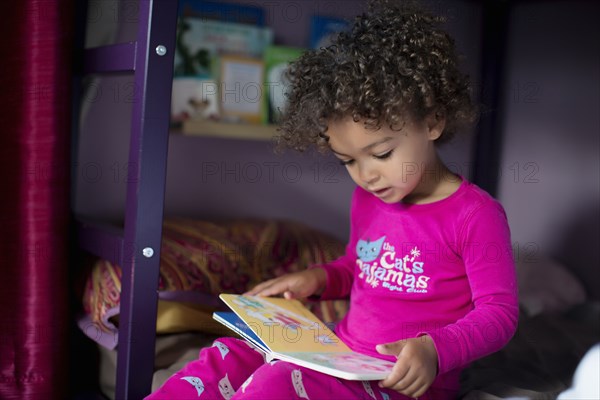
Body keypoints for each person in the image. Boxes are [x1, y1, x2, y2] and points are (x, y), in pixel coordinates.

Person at [146, 1, 518, 399]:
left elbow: (499, 314)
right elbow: (361, 266)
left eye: (381, 154)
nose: (366, 175)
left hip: (401, 381)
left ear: (431, 122)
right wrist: (318, 279)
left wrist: (435, 350)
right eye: (348, 161)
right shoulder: (369, 198)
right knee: (229, 352)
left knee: (277, 383)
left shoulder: (475, 215)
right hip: (341, 355)